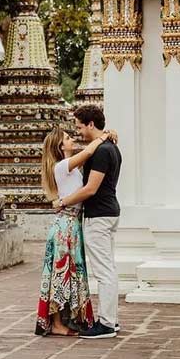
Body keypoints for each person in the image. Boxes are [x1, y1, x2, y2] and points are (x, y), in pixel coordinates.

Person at [36, 125, 116, 336]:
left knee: (70, 273)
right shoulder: (62, 166)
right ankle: (57, 323)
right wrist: (104, 136)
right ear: (60, 146)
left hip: (72, 224)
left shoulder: (69, 168)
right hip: (65, 225)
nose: (73, 139)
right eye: (68, 138)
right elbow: (88, 152)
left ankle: (67, 319)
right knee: (60, 273)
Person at [52, 105, 122, 340]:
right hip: (109, 212)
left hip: (99, 215)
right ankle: (112, 319)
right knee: (109, 267)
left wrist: (64, 202)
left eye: (80, 127)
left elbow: (90, 189)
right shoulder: (109, 146)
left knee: (104, 270)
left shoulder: (102, 151)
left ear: (91, 124)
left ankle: (107, 323)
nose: (79, 132)